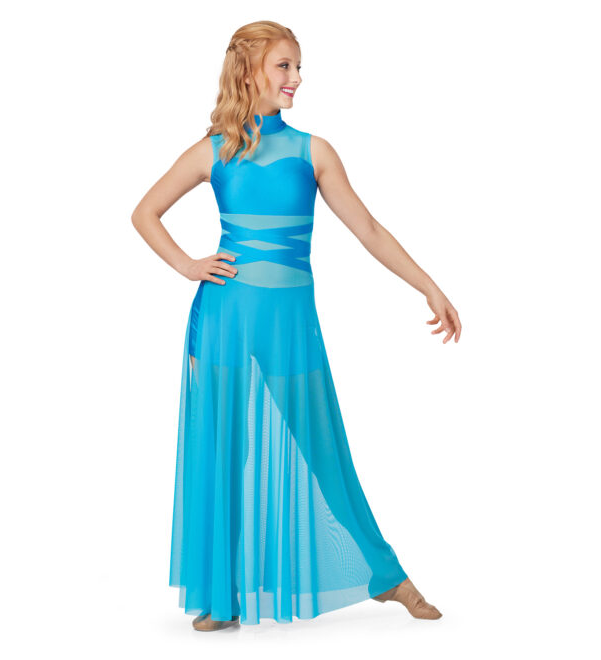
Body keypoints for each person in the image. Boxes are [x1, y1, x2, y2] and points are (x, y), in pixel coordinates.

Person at [132, 20, 461, 632]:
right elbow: (144, 212)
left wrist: (428, 285)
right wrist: (188, 265)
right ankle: (221, 597)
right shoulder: (212, 151)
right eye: (284, 66)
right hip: (222, 319)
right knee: (222, 453)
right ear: (249, 71)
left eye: (298, 66)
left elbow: (368, 229)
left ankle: (388, 577)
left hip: (289, 326)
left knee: (323, 450)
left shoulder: (314, 151)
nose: (297, 78)